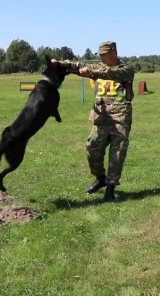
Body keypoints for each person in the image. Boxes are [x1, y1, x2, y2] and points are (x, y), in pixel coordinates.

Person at [58, 41, 134, 202]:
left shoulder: (126, 70)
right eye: (100, 55)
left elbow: (108, 73)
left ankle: (111, 187)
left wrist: (90, 71)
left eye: (104, 55)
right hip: (101, 117)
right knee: (92, 149)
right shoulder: (98, 68)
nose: (101, 57)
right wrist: (59, 64)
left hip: (120, 117)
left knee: (117, 153)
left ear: (114, 53)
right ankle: (100, 179)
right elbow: (78, 66)